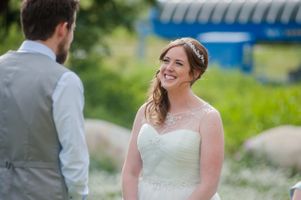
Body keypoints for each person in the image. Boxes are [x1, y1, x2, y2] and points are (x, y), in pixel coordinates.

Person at [0, 0, 89, 199]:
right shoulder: (65, 81)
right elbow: (74, 156)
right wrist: (79, 195)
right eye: (72, 28)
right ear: (62, 29)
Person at [122, 37, 224, 200]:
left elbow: (209, 184)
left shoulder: (208, 118)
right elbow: (130, 172)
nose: (168, 68)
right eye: (166, 61)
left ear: (195, 73)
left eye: (178, 63)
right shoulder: (145, 111)